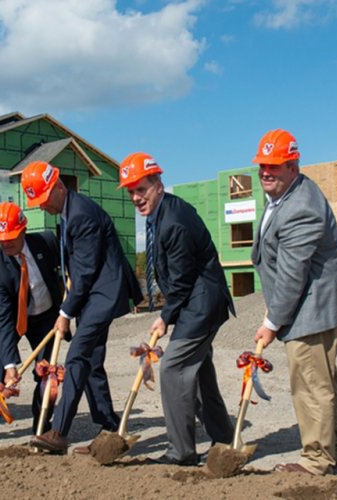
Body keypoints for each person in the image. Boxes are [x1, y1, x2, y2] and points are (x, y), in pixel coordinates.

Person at [251, 129, 337, 475]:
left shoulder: (301, 208)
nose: (266, 172)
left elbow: (293, 274)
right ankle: (328, 452)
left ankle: (317, 460)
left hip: (314, 309)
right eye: (262, 166)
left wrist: (271, 323)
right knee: (319, 381)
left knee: (311, 384)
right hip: (307, 304)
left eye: (274, 167)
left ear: (293, 167)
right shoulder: (284, 195)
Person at [119, 152, 235, 465]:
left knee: (173, 368)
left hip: (202, 303)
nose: (135, 197)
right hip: (193, 302)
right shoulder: (160, 214)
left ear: (157, 183)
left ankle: (181, 451)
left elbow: (183, 279)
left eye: (140, 189)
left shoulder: (174, 223)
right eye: (130, 191)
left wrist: (165, 317)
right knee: (198, 372)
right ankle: (224, 440)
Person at [21, 161, 143, 454]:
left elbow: (86, 271)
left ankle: (59, 432)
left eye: (43, 199)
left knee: (76, 356)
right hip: (91, 295)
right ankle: (109, 430)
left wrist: (64, 313)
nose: (41, 207)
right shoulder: (67, 214)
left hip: (103, 293)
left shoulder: (81, 215)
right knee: (91, 361)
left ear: (58, 187)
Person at [0, 202, 62, 447]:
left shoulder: (46, 242)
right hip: (10, 321)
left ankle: (42, 428)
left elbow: (67, 262)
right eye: (0, 239)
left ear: (23, 230)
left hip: (45, 317)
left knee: (47, 373)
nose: (5, 243)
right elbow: (1, 318)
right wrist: (11, 364)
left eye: (10, 237)